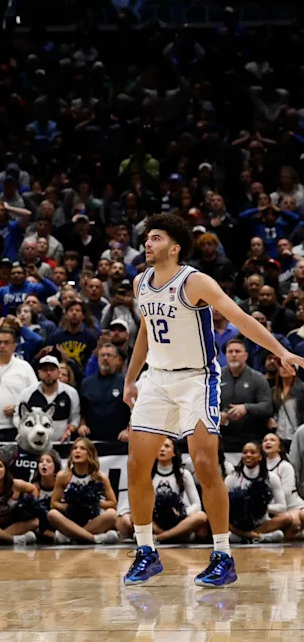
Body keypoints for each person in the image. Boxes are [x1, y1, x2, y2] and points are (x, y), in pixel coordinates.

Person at [122, 213, 304, 588]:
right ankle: (145, 551)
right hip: (156, 380)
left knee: (205, 464)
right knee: (137, 466)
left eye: (155, 238)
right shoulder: (141, 282)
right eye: (147, 238)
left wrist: (280, 351)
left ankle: (222, 555)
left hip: (197, 379)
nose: (147, 243)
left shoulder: (194, 281)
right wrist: (130, 379)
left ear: (175, 247)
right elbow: (145, 332)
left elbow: (241, 319)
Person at [117, 437, 208, 543]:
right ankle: (171, 535)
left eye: (167, 446)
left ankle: (160, 537)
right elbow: (135, 501)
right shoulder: (147, 474)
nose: (162, 449)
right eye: (159, 446)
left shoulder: (184, 474)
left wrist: (182, 512)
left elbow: (197, 505)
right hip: (154, 520)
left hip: (176, 519)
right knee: (131, 517)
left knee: (201, 516)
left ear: (174, 453)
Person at [46, 438, 119, 544]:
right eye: (75, 448)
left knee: (112, 514)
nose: (77, 451)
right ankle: (94, 538)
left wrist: (94, 503)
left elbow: (113, 503)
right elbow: (54, 503)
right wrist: (70, 506)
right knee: (52, 514)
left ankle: (72, 537)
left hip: (92, 520)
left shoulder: (100, 477)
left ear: (90, 453)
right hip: (71, 520)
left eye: (82, 448)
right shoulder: (63, 476)